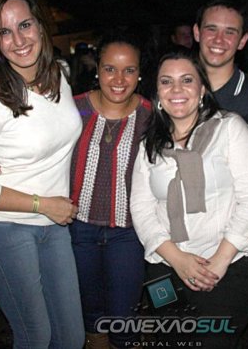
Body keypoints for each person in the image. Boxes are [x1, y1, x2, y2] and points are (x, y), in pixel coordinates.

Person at [0, 0, 84, 348]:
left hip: (53, 225)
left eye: (25, 25)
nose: (19, 40)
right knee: (36, 336)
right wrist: (43, 204)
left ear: (40, 26)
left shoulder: (59, 76)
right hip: (3, 227)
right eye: (4, 31)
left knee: (71, 337)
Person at [130, 48, 248, 348]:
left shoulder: (230, 129)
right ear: (157, 92)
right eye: (166, 81)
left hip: (228, 265)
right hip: (165, 266)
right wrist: (177, 259)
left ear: (202, 88)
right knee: (171, 339)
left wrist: (219, 262)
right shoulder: (149, 144)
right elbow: (141, 208)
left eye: (187, 80)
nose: (176, 89)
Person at [69, 32, 151, 348]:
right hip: (77, 229)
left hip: (128, 233)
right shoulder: (72, 109)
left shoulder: (152, 116)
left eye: (129, 70)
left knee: (124, 318)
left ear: (139, 73)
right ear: (97, 69)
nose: (119, 79)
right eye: (110, 69)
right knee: (90, 316)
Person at [193, 0, 248, 148]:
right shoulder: (174, 88)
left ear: (242, 41)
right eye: (211, 29)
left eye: (229, 32)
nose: (218, 40)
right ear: (197, 32)